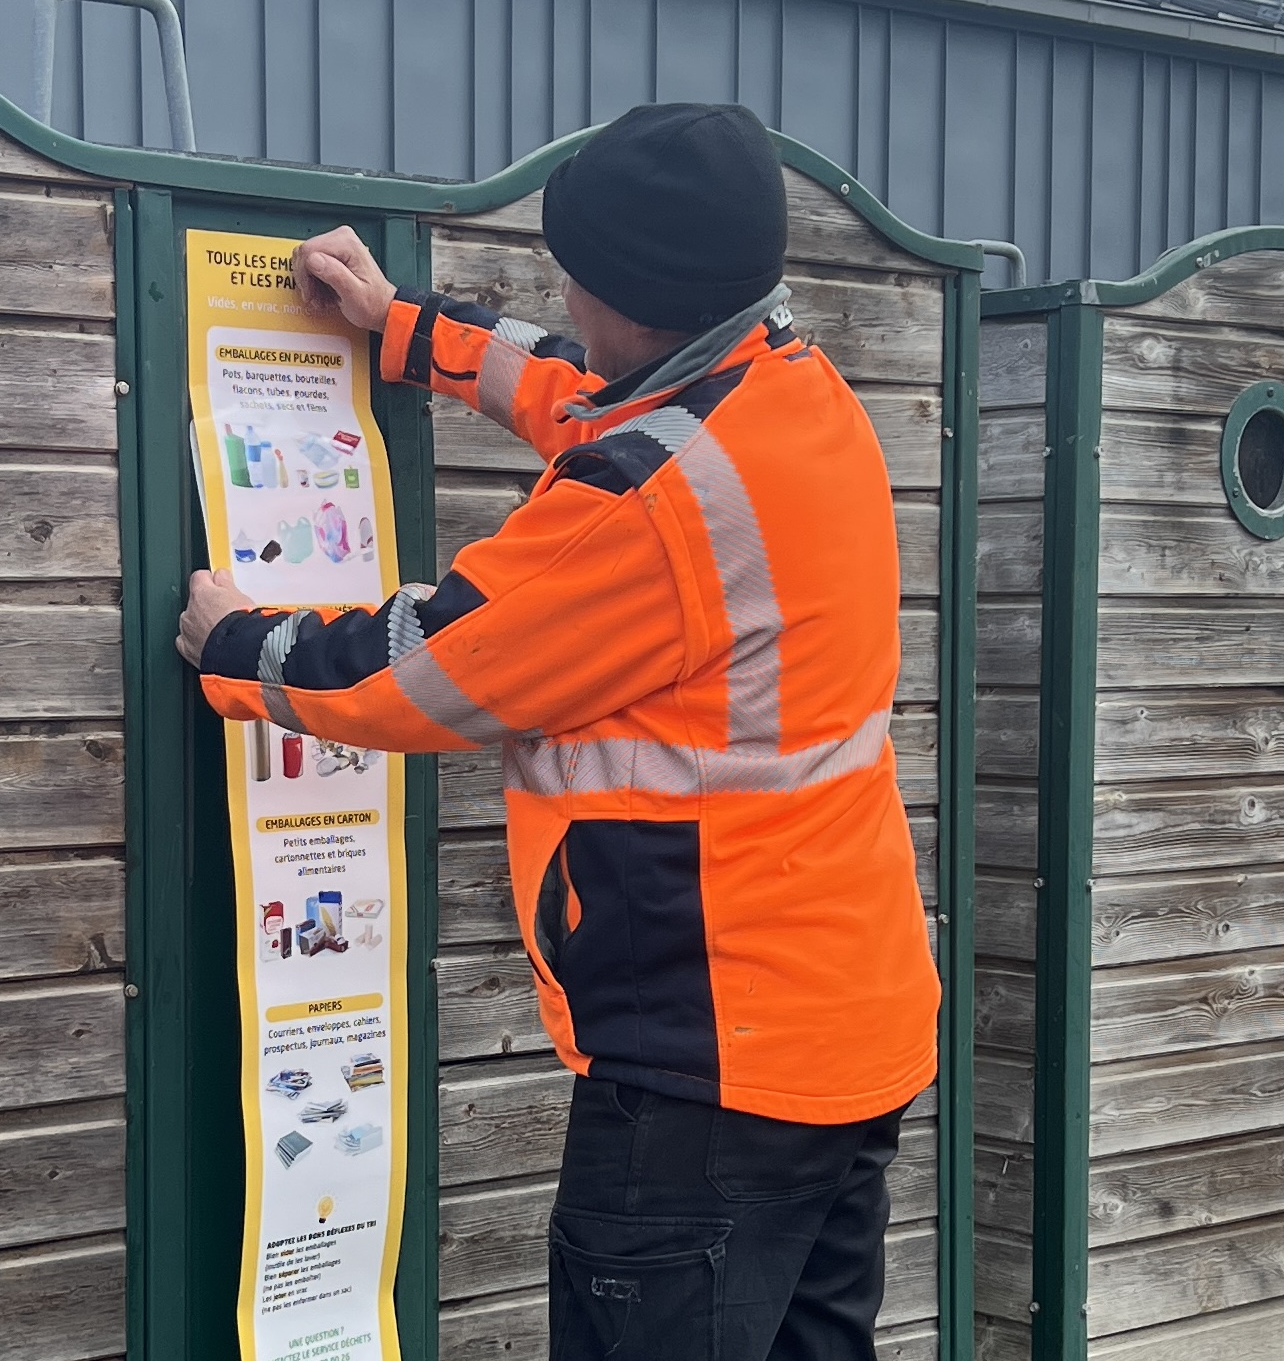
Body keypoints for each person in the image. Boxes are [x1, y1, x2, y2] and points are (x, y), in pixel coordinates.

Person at [176, 102, 939, 1361]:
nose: (562, 296)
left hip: (707, 1066)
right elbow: (580, 393)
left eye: (573, 274)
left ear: (628, 292)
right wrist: (402, 327)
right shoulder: (789, 396)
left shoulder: (650, 501)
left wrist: (239, 646)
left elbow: (425, 671)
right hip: (840, 1032)